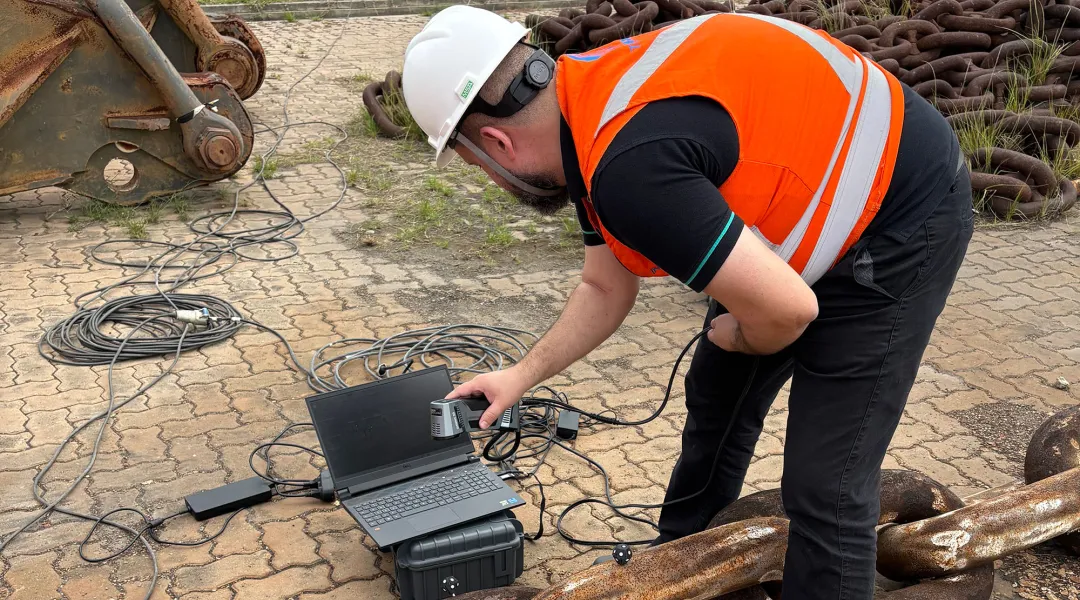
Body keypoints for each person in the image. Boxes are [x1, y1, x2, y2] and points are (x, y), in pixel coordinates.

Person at [401, 6, 973, 599]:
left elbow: (787, 312)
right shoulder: (585, 111)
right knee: (717, 391)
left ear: (497, 141)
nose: (491, 179)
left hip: (901, 214)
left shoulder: (630, 169)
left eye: (476, 165)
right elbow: (604, 286)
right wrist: (520, 376)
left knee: (825, 484)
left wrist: (741, 335)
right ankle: (680, 563)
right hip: (808, 202)